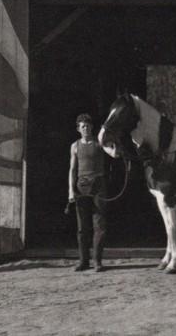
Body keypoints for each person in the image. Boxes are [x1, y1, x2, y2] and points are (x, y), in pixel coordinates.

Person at [68, 112, 108, 271]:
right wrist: (71, 190)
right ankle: (83, 261)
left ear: (92, 127)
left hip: (98, 186)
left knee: (99, 224)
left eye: (88, 126)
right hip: (81, 187)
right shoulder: (75, 146)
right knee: (82, 227)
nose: (86, 129)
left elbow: (113, 153)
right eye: (83, 126)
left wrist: (116, 149)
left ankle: (97, 261)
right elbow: (72, 169)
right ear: (78, 129)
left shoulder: (99, 143)